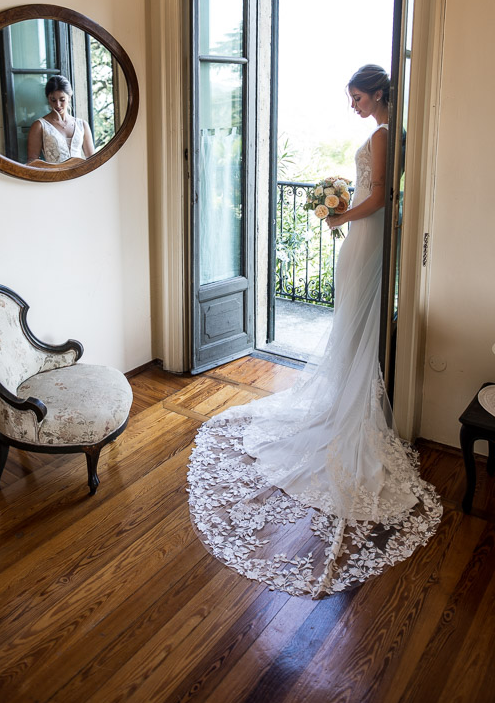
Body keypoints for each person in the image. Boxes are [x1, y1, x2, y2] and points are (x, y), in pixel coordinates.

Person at [188, 64, 441, 598]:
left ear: (377, 93)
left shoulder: (380, 133)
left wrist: (340, 215)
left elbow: (379, 196)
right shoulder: (398, 132)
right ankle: (347, 393)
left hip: (366, 236)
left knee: (352, 316)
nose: (352, 105)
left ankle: (347, 403)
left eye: (356, 97)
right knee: (355, 319)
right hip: (375, 238)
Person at [26, 76, 95, 165]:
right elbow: (32, 162)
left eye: (62, 100)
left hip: (80, 177)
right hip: (53, 177)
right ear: (48, 99)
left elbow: (92, 160)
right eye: (53, 100)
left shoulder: (82, 125)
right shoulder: (39, 126)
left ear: (69, 97)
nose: (58, 105)